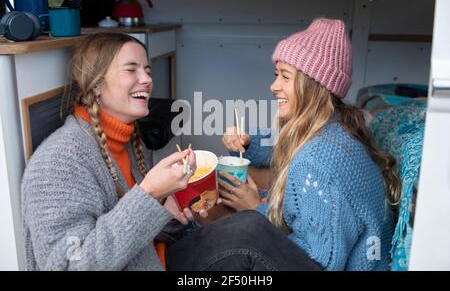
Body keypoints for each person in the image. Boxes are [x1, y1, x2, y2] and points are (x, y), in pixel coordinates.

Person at [168, 18, 401, 271]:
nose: (273, 85)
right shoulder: (337, 128)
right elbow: (280, 153)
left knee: (243, 231)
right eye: (275, 74)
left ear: (314, 85)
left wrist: (256, 210)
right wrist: (247, 143)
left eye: (285, 77)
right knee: (226, 214)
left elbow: (320, 262)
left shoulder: (317, 159)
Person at [21, 33, 200, 271]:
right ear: (96, 86)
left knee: (246, 227)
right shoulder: (58, 162)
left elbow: (131, 235)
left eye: (147, 69)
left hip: (159, 259)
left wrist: (166, 213)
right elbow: (68, 266)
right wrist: (149, 194)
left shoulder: (127, 138)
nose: (146, 79)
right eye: (131, 70)